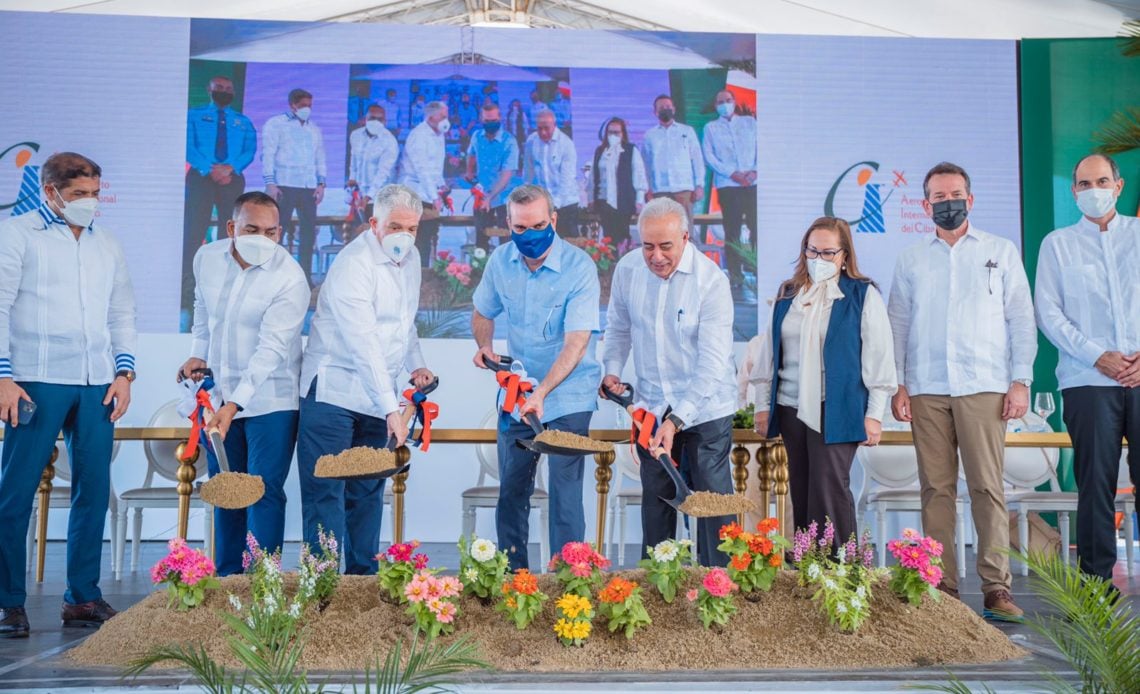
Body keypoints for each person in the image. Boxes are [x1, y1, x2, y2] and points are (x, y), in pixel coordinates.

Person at [888, 161, 1036, 621]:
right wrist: (899, 383)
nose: (947, 203)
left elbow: (1020, 319)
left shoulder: (1000, 250)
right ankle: (942, 587)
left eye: (955, 196)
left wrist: (1021, 380)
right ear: (925, 203)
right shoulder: (911, 258)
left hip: (984, 386)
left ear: (970, 200)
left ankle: (996, 589)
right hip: (928, 387)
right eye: (938, 196)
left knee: (988, 488)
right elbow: (897, 323)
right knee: (935, 489)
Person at [0, 152, 137, 637]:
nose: (90, 203)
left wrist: (125, 374)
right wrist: (3, 376)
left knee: (93, 491)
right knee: (16, 494)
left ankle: (82, 598)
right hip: (36, 378)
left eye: (95, 194)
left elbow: (121, 311)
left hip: (97, 381)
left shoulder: (107, 244)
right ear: (50, 191)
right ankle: (7, 602)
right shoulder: (17, 235)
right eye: (79, 195)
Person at [296, 184, 435, 574]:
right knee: (326, 492)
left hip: (377, 398)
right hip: (332, 393)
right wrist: (393, 409)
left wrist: (416, 365)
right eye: (395, 226)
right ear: (374, 223)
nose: (403, 236)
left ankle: (363, 586)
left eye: (412, 228)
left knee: (368, 491)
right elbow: (364, 344)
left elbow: (404, 324)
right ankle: (320, 588)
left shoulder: (412, 258)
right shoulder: (352, 265)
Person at [471, 184, 601, 571]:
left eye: (540, 225)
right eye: (521, 228)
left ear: (554, 219)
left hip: (568, 395)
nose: (530, 236)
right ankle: (515, 580)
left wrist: (543, 392)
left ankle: (569, 581)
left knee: (564, 491)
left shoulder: (579, 267)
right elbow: (482, 313)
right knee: (512, 491)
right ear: (508, 223)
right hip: (518, 393)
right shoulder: (500, 261)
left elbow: (577, 343)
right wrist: (485, 346)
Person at [601, 197, 736, 567]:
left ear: (686, 238)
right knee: (657, 504)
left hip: (706, 409)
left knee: (711, 506)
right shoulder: (628, 271)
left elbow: (712, 361)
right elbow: (618, 328)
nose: (656, 256)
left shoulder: (711, 282)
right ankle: (660, 597)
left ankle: (719, 592)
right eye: (647, 246)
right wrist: (612, 369)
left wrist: (677, 421)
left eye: (666, 246)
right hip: (652, 407)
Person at [179, 191, 309, 576]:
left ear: (281, 232)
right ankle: (226, 581)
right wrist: (196, 352)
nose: (262, 238)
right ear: (232, 227)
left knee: (263, 491)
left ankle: (261, 585)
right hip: (219, 398)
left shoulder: (290, 277)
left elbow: (271, 351)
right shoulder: (207, 258)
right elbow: (203, 311)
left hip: (271, 401)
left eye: (271, 232)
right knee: (228, 490)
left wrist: (233, 405)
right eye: (252, 229)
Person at [750, 217, 895, 548]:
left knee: (828, 488)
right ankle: (807, 565)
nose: (819, 260)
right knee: (801, 488)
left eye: (828, 253)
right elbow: (769, 354)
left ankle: (838, 570)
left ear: (844, 255)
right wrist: (761, 404)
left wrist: (874, 414)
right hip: (790, 407)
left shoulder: (862, 295)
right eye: (812, 251)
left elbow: (879, 358)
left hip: (838, 408)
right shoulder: (789, 293)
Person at [1035, 153, 1140, 588]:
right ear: (1074, 191)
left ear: (1118, 186)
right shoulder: (1057, 244)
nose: (1093, 190)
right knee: (1094, 483)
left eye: (1101, 181)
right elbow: (1050, 313)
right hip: (1087, 379)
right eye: (1083, 183)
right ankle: (1096, 587)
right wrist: (1099, 355)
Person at [182, 76, 257, 320]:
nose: (224, 92)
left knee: (232, 232)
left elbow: (249, 150)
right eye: (219, 88)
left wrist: (229, 168)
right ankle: (187, 290)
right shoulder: (193, 115)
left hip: (232, 178)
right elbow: (188, 145)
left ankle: (228, 285)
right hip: (201, 177)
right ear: (209, 89)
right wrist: (209, 169)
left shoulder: (242, 121)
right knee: (194, 231)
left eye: (228, 89)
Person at [262, 88, 327, 286]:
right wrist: (270, 183)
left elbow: (320, 157)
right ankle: (273, 278)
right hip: (284, 184)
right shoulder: (276, 124)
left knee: (308, 234)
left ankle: (304, 277)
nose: (307, 109)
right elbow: (268, 154)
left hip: (308, 187)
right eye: (303, 105)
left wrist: (321, 183)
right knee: (277, 232)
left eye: (310, 105)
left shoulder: (313, 128)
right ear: (292, 105)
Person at [702, 90, 757, 294]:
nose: (725, 104)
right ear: (715, 106)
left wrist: (754, 171)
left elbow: (763, 147)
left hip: (752, 183)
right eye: (720, 102)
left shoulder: (750, 123)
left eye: (728, 100)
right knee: (732, 230)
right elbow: (709, 156)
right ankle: (735, 274)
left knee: (755, 226)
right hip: (728, 185)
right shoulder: (711, 128)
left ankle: (757, 267)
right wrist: (732, 173)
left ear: (734, 102)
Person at [397, 101, 450, 267]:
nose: (446, 120)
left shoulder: (439, 135)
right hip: (413, 194)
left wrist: (441, 187)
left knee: (426, 239)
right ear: (431, 116)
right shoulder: (418, 135)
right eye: (443, 116)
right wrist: (435, 197)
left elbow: (436, 168)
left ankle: (423, 278)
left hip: (429, 194)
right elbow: (423, 170)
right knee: (415, 241)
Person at [641, 95, 705, 229]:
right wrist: (647, 189)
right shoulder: (649, 135)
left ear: (674, 109)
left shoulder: (687, 131)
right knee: (662, 229)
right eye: (661, 108)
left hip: (684, 188)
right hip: (659, 190)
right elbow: (645, 165)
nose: (665, 110)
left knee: (685, 230)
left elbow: (697, 159)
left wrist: (699, 185)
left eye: (668, 107)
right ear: (655, 112)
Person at [465, 102, 519, 251]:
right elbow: (471, 154)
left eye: (494, 120)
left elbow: (506, 174)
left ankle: (508, 273)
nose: (490, 124)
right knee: (481, 241)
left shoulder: (509, 141)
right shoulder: (476, 136)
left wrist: (490, 197)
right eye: (487, 121)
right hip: (482, 197)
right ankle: (480, 271)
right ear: (481, 119)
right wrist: (469, 171)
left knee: (506, 241)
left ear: (499, 118)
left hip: (504, 198)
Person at [589, 117, 647, 249]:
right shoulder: (600, 151)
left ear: (623, 133)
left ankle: (623, 260)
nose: (613, 135)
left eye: (617, 132)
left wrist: (639, 200)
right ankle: (609, 265)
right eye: (610, 132)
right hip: (603, 202)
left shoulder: (631, 150)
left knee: (622, 236)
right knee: (608, 237)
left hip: (624, 201)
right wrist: (591, 199)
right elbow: (593, 177)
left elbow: (639, 176)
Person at [523, 111, 579, 238]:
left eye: (546, 128)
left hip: (565, 204)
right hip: (542, 205)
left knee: (567, 247)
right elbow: (528, 173)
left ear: (554, 125)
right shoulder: (531, 142)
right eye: (539, 128)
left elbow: (567, 180)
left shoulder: (566, 144)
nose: (543, 132)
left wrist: (554, 205)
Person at [348, 104, 399, 212]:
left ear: (385, 121)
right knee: (357, 227)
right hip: (359, 194)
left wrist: (368, 197)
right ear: (365, 119)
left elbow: (383, 173)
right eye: (372, 118)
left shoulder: (390, 141)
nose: (376, 122)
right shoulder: (355, 135)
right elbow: (354, 161)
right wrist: (352, 181)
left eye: (379, 119)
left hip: (381, 196)